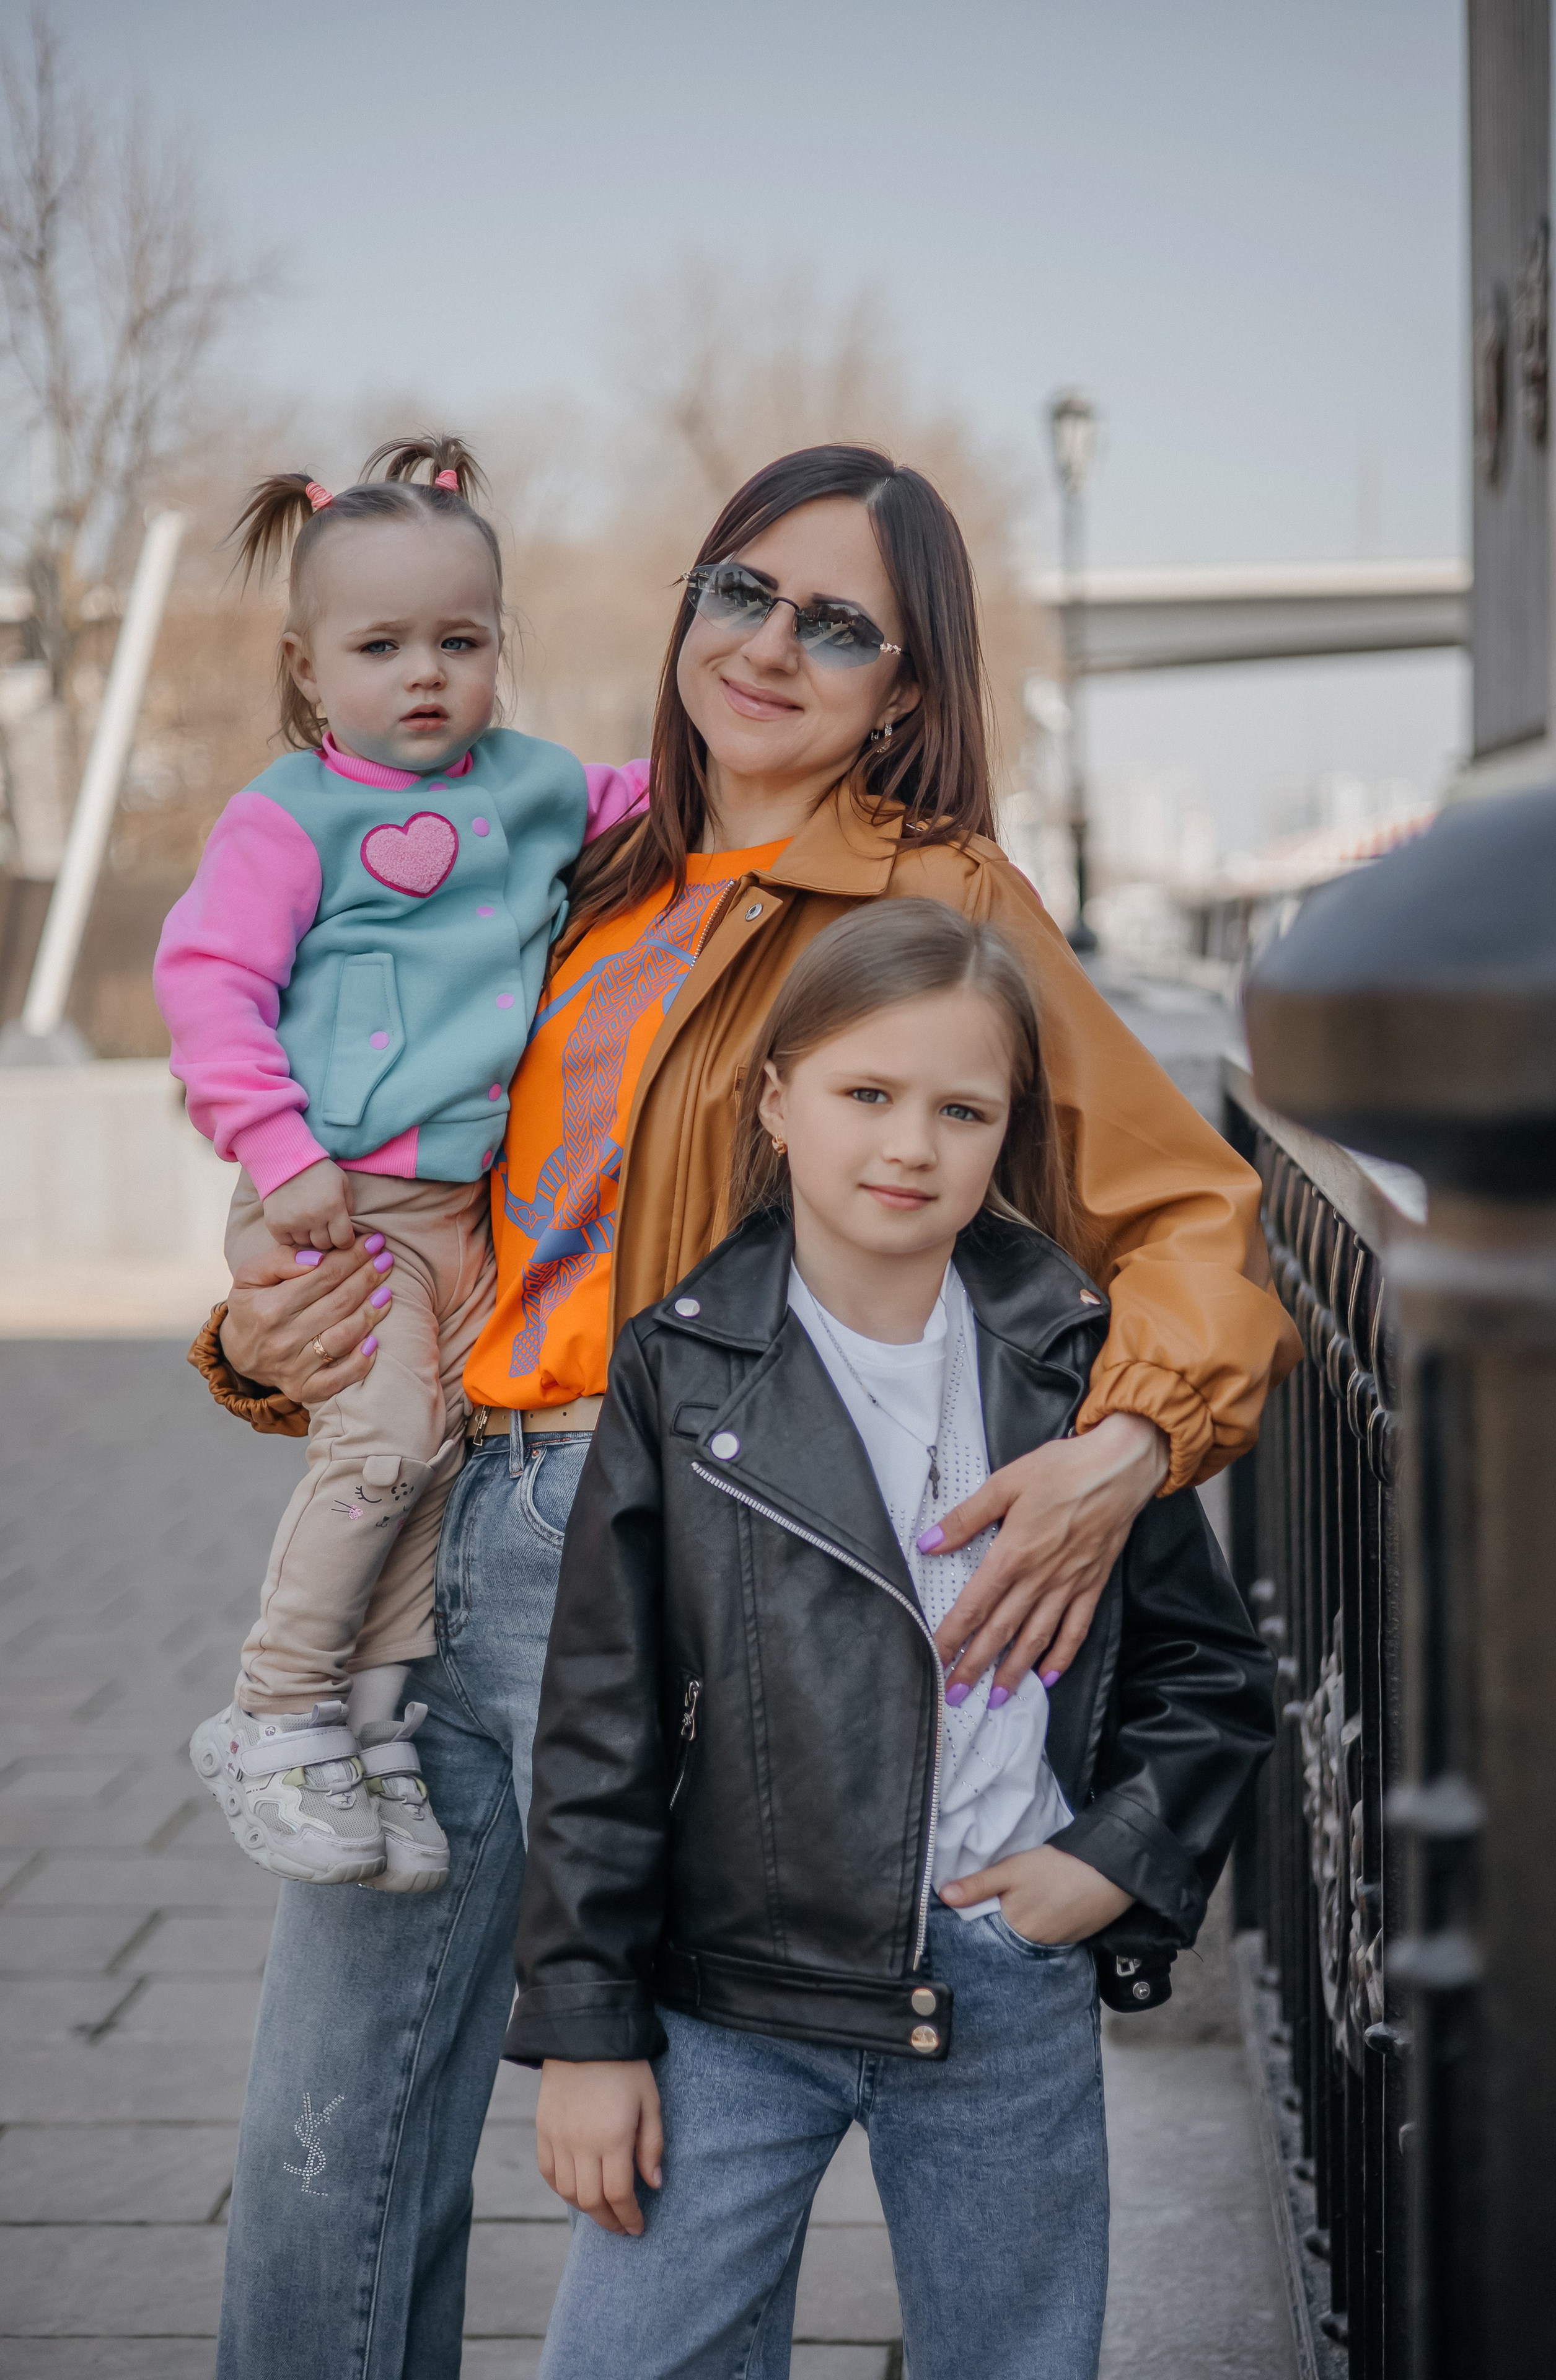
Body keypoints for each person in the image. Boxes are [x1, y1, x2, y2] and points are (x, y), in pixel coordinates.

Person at [193, 443, 1299, 2379]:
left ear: (911, 687)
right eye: (741, 590)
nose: (773, 643)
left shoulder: (935, 900)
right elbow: (430, 1179)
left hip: (673, 1579)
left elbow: (1190, 1210)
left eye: (841, 622)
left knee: (683, 2171)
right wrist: (258, 1338)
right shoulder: (574, 861)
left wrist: (1128, 1449)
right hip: (452, 1521)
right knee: (328, 2146)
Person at [514, 901, 1275, 2380]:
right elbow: (596, 1722)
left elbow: (1208, 1672)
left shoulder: (1077, 1368)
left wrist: (1101, 1869)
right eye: (866, 1094)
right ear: (776, 1102)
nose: (909, 1144)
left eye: (958, 1109)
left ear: (1007, 1133)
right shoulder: (676, 1370)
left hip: (1001, 1980)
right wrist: (586, 2034)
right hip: (731, 1997)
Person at [154, 435, 644, 1894]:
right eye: (380, 647)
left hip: (457, 1211)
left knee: (431, 1460)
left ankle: (370, 1731)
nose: (423, 674)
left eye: (461, 642)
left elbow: (655, 796)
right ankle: (272, 1712)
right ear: (306, 668)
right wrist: (277, 1147)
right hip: (334, 1195)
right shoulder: (283, 818)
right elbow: (207, 990)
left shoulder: (534, 788)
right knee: (372, 1448)